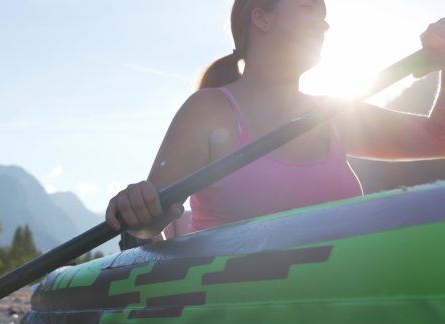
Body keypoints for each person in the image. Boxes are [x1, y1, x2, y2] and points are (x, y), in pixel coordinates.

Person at [105, 0, 445, 242]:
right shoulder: (208, 110)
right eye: (309, 6)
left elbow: (437, 138)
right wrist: (136, 204)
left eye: (325, 14)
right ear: (262, 19)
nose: (324, 23)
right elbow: (149, 221)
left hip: (332, 311)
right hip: (236, 320)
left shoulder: (336, 113)